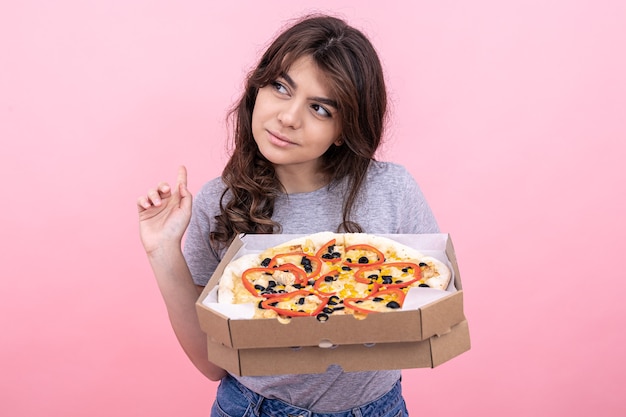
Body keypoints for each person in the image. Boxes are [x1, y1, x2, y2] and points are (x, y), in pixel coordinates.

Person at [137, 14, 439, 417]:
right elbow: (211, 364)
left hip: (378, 408)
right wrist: (161, 251)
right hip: (252, 408)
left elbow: (434, 308)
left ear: (345, 127)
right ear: (256, 89)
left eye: (320, 108)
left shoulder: (391, 190)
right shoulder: (218, 202)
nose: (288, 117)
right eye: (281, 88)